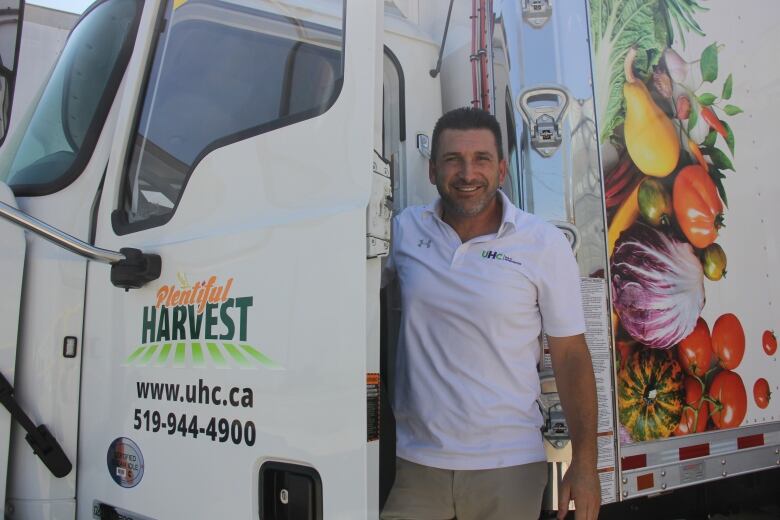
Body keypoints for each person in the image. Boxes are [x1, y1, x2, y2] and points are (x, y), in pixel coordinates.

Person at [380, 107, 600, 520]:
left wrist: (585, 465)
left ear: (501, 169)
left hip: (509, 466)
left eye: (481, 159)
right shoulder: (405, 232)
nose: (467, 173)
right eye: (453, 160)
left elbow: (570, 355)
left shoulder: (541, 243)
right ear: (431, 171)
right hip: (416, 463)